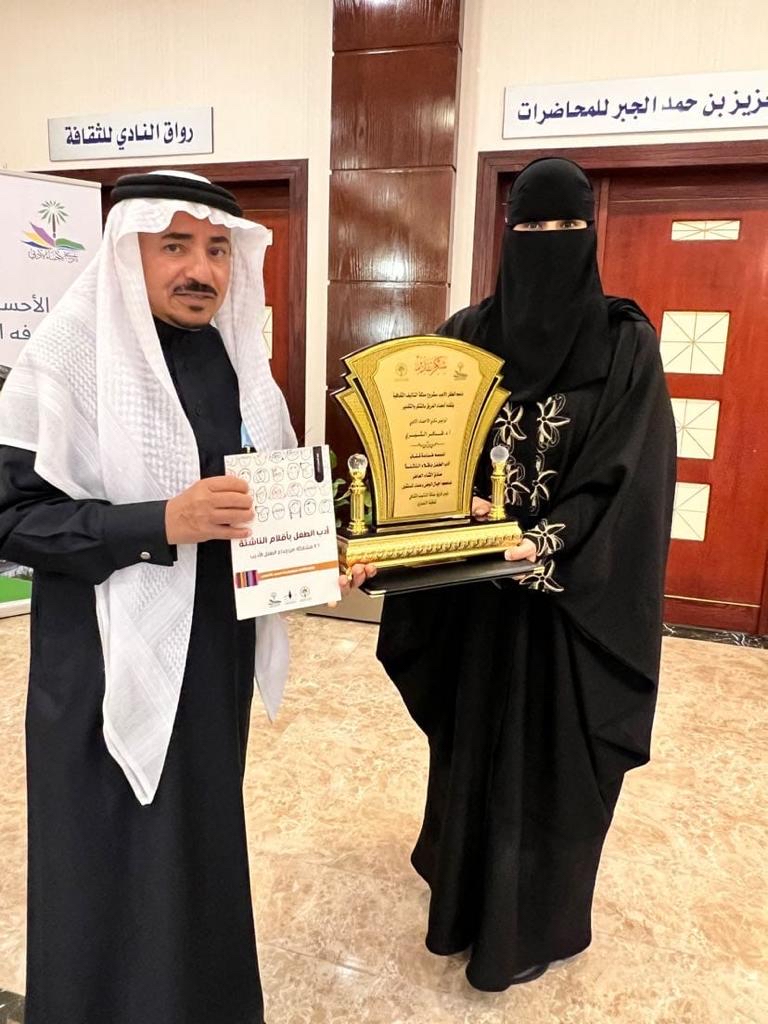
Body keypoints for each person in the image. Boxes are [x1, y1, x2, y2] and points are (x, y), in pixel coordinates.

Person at [0, 170, 372, 1024]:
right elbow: (12, 520)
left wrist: (321, 553)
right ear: (127, 251)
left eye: (216, 249)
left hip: (212, 657)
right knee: (108, 854)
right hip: (99, 665)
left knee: (197, 841)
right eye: (175, 246)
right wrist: (158, 521)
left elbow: (261, 504)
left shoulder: (237, 363)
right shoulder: (65, 360)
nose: (200, 269)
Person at [377, 157, 676, 992]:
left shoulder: (624, 344)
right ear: (505, 236)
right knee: (471, 751)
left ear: (591, 234)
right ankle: (463, 904)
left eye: (565, 228)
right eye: (530, 228)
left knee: (557, 765)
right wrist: (440, 513)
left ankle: (535, 922)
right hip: (474, 606)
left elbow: (630, 475)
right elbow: (429, 452)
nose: (547, 242)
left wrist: (536, 540)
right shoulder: (465, 336)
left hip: (570, 611)